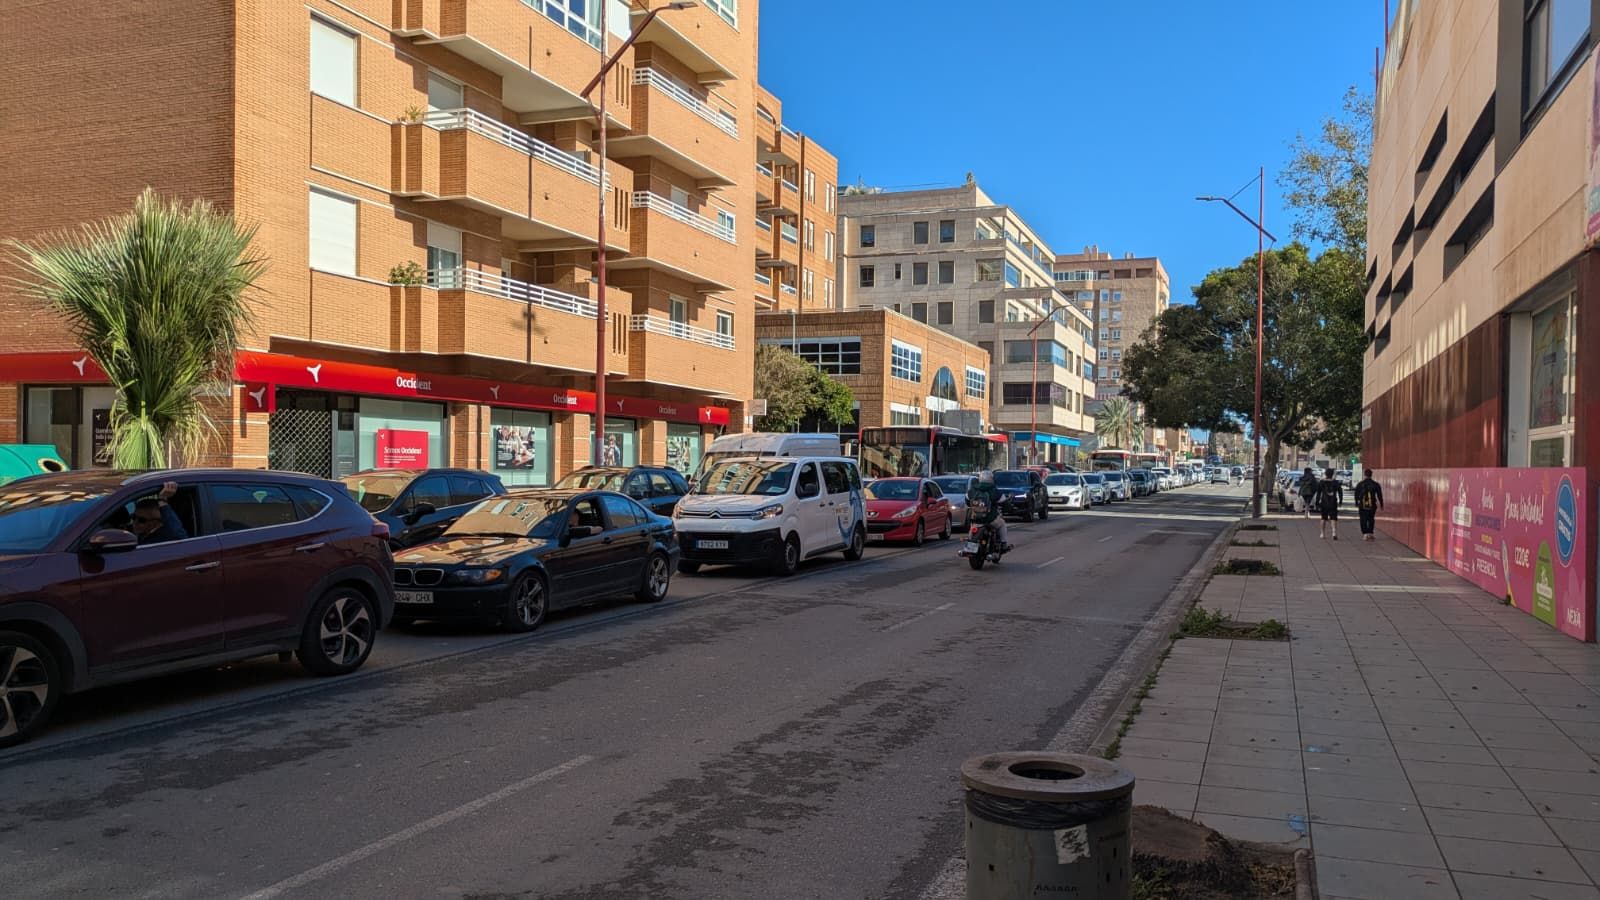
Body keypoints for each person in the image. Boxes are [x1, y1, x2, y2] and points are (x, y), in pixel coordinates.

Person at [129, 481, 188, 545]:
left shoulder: (165, 537)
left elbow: (181, 539)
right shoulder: (137, 532)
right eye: (133, 517)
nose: (135, 522)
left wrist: (162, 500)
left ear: (156, 523)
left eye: (141, 520)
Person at [966, 471, 1010, 553]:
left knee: (972, 529)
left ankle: (969, 548)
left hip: (976, 518)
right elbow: (1004, 502)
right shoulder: (994, 491)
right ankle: (1004, 544)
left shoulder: (973, 489)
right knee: (1002, 524)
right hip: (990, 519)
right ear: (991, 479)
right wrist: (1008, 508)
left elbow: (967, 501)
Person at [1313, 467, 1344, 540]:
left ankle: (1322, 533)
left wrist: (1317, 502)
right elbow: (1340, 492)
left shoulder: (1321, 482)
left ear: (1325, 474)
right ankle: (1334, 532)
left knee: (1323, 518)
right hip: (1333, 502)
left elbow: (1318, 493)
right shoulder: (1336, 482)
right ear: (1332, 474)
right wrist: (1340, 501)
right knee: (1333, 518)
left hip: (1324, 502)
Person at [1354, 469, 1384, 541]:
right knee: (1371, 519)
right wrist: (1381, 504)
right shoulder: (1376, 484)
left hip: (1362, 505)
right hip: (1372, 505)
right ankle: (1370, 533)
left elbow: (1356, 494)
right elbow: (1380, 495)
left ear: (1364, 475)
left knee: (1363, 519)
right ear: (1371, 475)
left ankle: (1365, 534)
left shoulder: (1360, 484)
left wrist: (1356, 502)